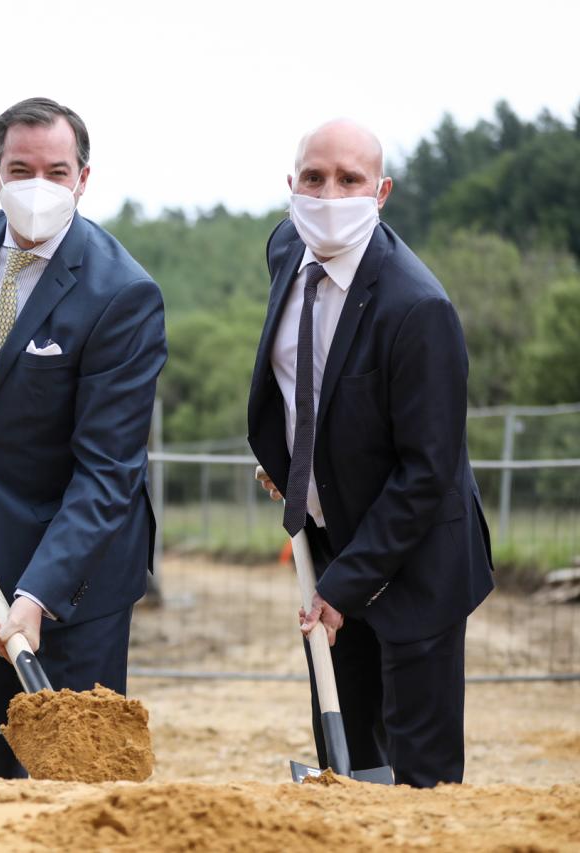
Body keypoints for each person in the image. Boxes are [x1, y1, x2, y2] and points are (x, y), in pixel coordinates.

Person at [0, 97, 168, 778]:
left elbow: (108, 471)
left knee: (76, 783)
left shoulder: (122, 295)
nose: (39, 185)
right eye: (22, 168)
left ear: (83, 178)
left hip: (76, 579)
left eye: (57, 170)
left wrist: (38, 595)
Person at [248, 119, 494, 787]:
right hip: (331, 542)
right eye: (314, 178)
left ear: (381, 191)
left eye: (350, 180)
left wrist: (342, 587)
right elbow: (300, 385)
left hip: (417, 561)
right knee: (348, 761)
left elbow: (427, 472)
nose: (330, 195)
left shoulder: (418, 309)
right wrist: (291, 467)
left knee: (419, 778)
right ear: (290, 186)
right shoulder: (284, 249)